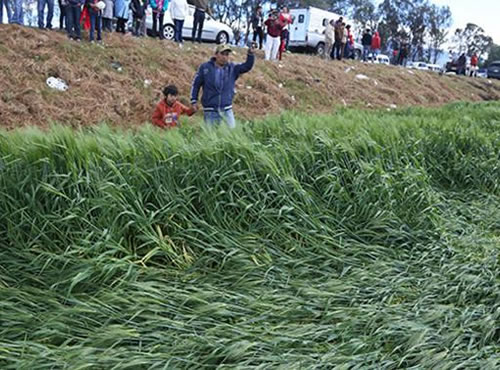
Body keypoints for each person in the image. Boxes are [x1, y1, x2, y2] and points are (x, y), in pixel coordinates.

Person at [190, 43, 255, 128]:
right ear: (216, 54)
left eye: (227, 54)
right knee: (211, 137)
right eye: (222, 54)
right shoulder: (205, 68)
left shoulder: (232, 68)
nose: (224, 57)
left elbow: (247, 66)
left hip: (226, 109)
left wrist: (250, 54)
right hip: (210, 110)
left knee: (231, 135)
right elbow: (196, 84)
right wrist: (194, 101)